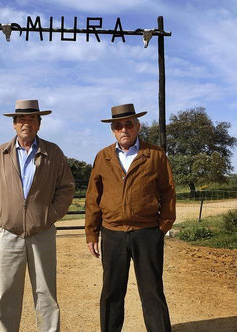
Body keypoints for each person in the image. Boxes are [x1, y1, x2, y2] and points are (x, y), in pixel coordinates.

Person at [0, 99, 75, 332]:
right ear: (14, 125)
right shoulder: (0, 153)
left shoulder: (53, 152)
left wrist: (50, 215)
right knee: (6, 294)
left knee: (46, 294)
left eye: (32, 119)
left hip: (42, 233)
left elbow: (66, 187)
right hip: (8, 233)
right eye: (21, 119)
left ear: (39, 124)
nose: (26, 124)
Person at [85, 103, 176, 332]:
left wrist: (162, 227)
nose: (123, 129)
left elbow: (168, 192)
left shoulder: (154, 155)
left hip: (147, 233)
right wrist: (91, 232)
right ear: (112, 130)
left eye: (128, 124)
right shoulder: (103, 157)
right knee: (112, 291)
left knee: (152, 290)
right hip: (113, 233)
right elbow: (93, 197)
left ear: (138, 126)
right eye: (118, 125)